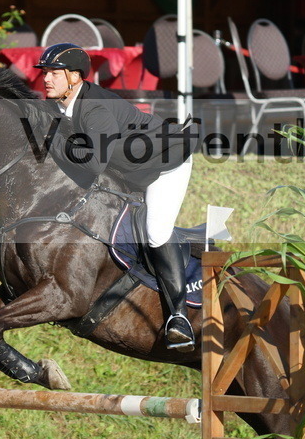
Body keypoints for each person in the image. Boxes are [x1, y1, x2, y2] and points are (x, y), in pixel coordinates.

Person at [35, 42, 197, 351]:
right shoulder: (61, 104)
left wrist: (54, 142)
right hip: (129, 167)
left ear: (75, 76)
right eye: (45, 72)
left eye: (54, 73)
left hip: (166, 163)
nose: (46, 79)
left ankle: (179, 318)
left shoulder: (96, 108)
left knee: (156, 231)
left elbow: (93, 163)